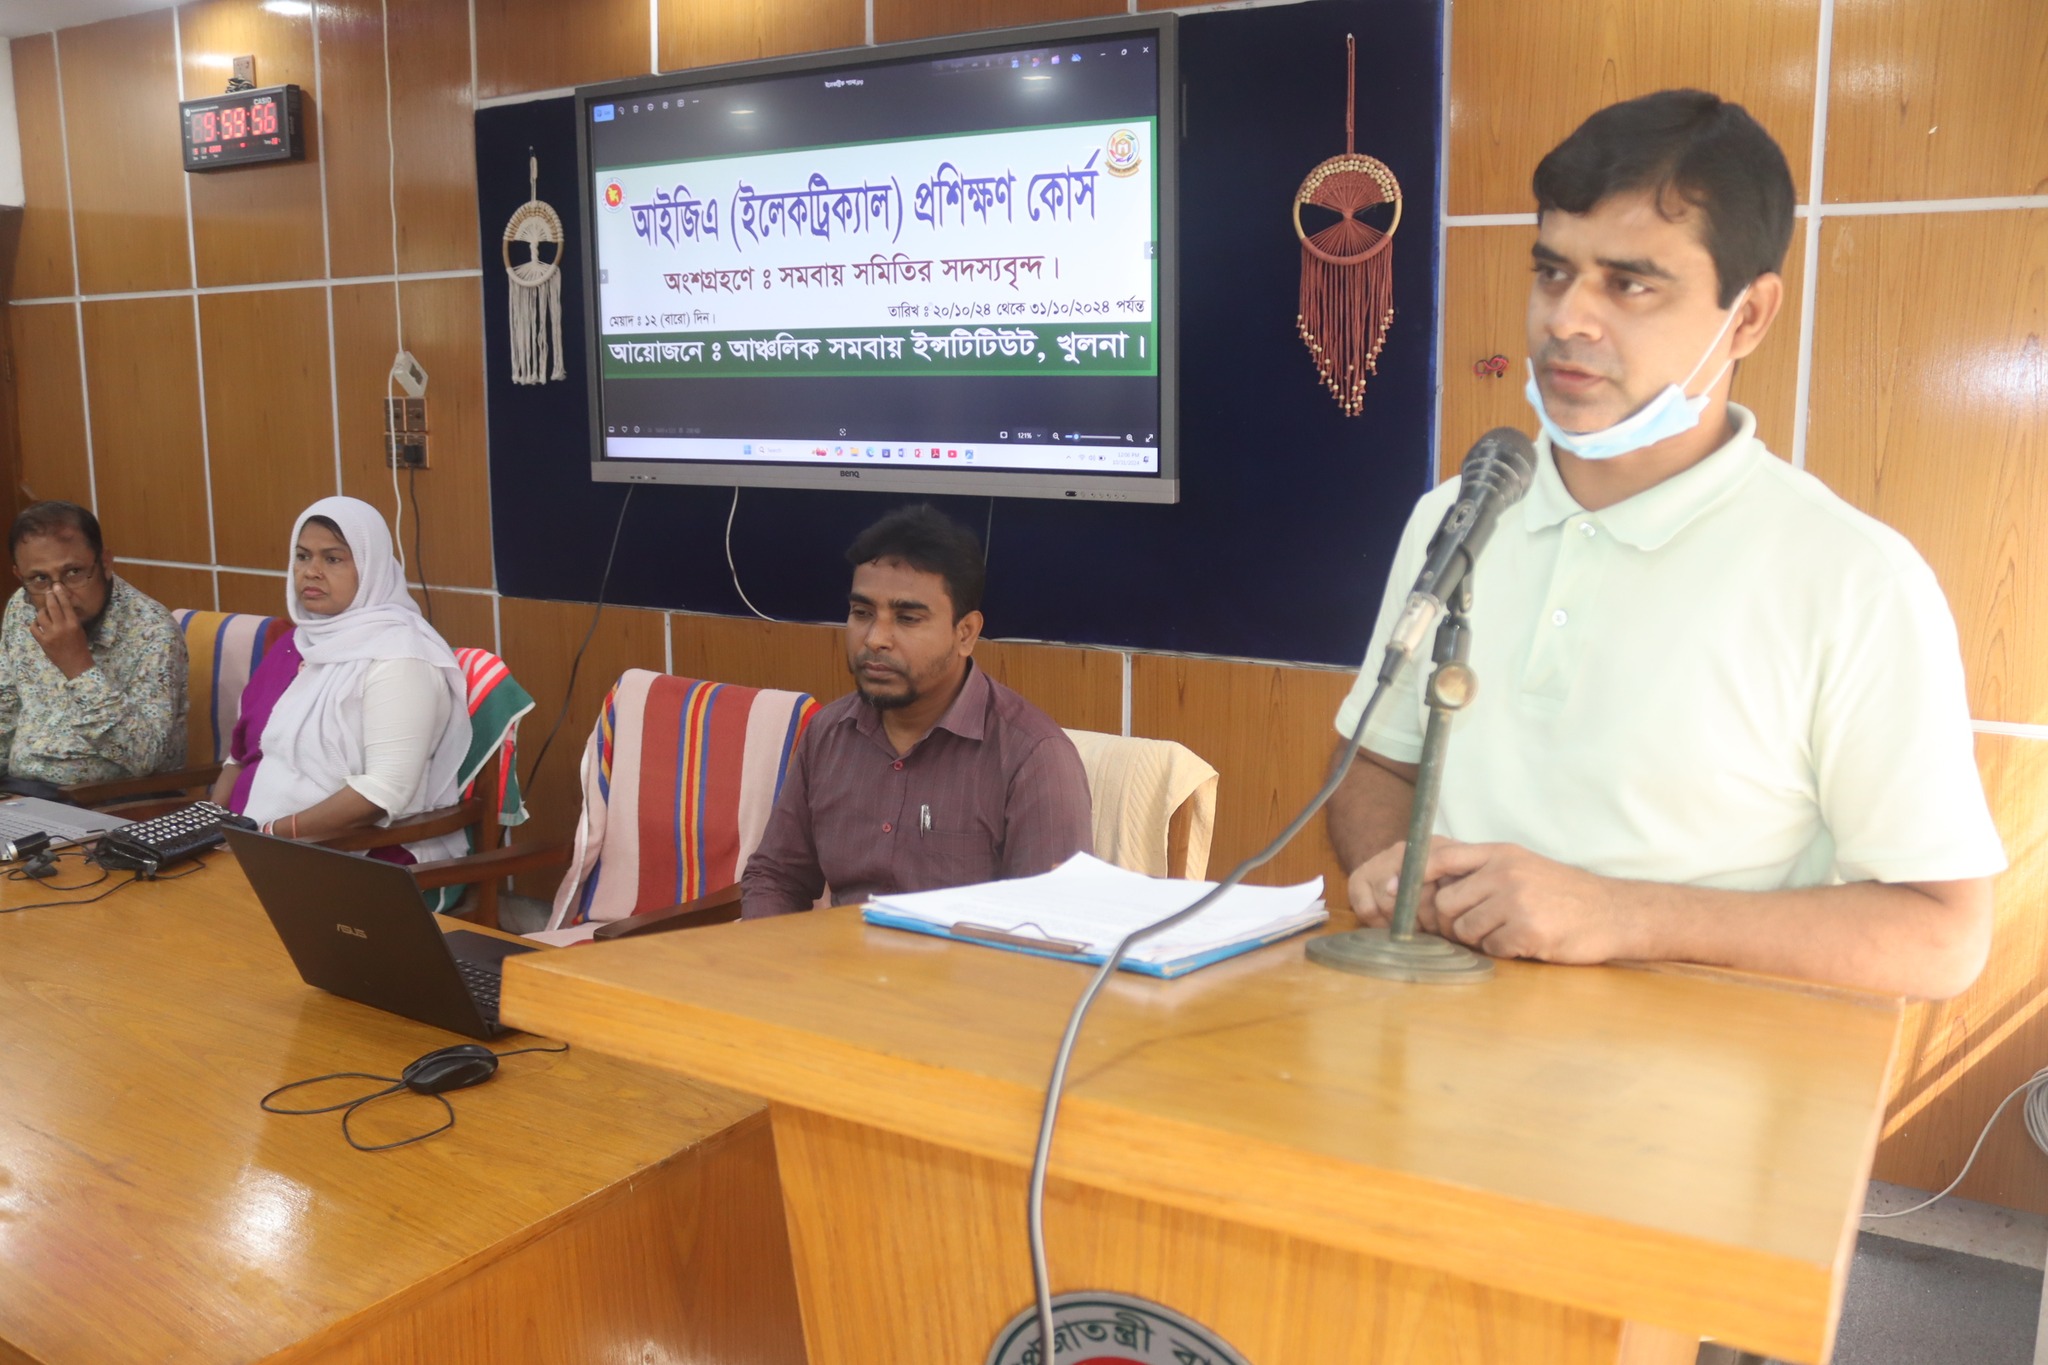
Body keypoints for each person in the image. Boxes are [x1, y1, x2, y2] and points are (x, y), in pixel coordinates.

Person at [1325, 90, 2004, 1000]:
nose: (1567, 320)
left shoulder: (1854, 578)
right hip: (1433, 1049)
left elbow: (1943, 937)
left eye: (1630, 284)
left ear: (1748, 317)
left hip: (1695, 1078)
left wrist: (1625, 914)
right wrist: (1390, 865)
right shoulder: (1456, 514)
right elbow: (1376, 762)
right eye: (1553, 272)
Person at [742, 504, 1093, 917]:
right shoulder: (828, 732)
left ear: (965, 633)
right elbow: (777, 876)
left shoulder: (1033, 758)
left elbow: (1051, 926)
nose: (875, 639)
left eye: (907, 618)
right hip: (836, 957)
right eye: (862, 613)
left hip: (967, 961)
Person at [210, 497, 471, 865]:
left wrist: (268, 835)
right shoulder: (295, 644)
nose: (311, 572)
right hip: (247, 843)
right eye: (302, 556)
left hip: (348, 856)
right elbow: (239, 758)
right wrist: (207, 829)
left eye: (332, 559)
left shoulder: (401, 658)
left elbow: (383, 791)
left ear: (370, 567)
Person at [0, 500, 186, 789]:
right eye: (40, 578)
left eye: (73, 572)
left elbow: (145, 757)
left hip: (109, 799)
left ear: (105, 563)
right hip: (20, 791)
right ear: (20, 576)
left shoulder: (152, 629)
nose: (58, 594)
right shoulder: (22, 607)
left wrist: (78, 666)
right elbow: (6, 707)